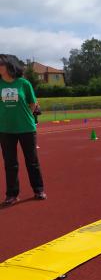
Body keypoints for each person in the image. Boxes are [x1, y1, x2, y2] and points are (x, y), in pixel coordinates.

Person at [0, 54, 46, 205]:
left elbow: (33, 104)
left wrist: (25, 117)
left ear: (9, 66)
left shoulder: (24, 83)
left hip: (26, 128)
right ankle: (12, 194)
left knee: (32, 161)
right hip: (5, 129)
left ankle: (38, 189)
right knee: (10, 163)